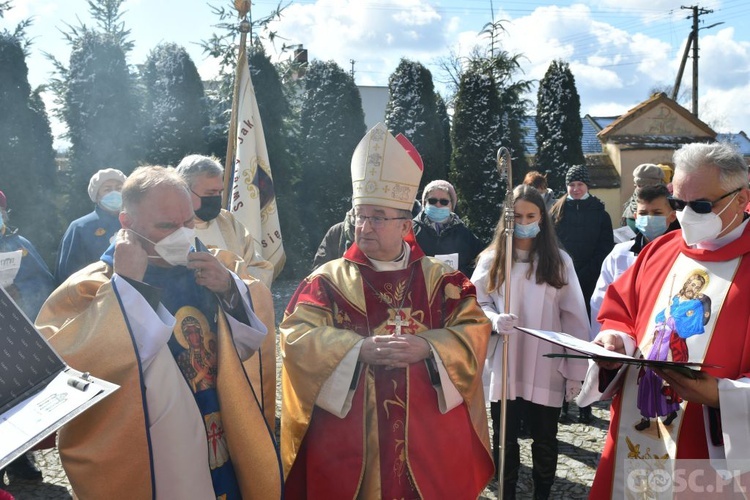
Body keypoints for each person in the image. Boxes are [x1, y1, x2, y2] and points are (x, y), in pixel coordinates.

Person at [35, 166, 281, 499]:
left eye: (189, 223)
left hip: (223, 425)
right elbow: (63, 368)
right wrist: (128, 289)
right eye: (166, 226)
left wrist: (228, 289)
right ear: (127, 223)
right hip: (158, 449)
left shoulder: (215, 264)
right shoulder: (91, 286)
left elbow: (252, 343)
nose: (182, 234)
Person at [280, 123, 494, 498]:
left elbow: (475, 328)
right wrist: (354, 349)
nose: (364, 226)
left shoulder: (442, 281)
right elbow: (297, 337)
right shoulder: (327, 281)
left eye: (377, 217)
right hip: (349, 442)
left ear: (405, 225)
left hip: (428, 440)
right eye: (359, 215)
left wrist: (429, 347)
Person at [577, 142, 750, 498]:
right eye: (678, 204)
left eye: (701, 205)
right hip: (636, 442)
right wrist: (615, 342)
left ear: (742, 197)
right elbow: (621, 314)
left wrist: (722, 395)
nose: (686, 216)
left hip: (708, 452)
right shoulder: (660, 251)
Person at [471, 184, 589, 499]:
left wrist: (575, 368)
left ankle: (542, 494)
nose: (524, 221)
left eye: (530, 215)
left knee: (545, 438)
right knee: (505, 438)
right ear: (506, 219)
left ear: (541, 218)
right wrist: (493, 320)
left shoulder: (559, 261)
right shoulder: (492, 259)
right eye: (517, 215)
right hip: (506, 362)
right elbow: (474, 304)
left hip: (545, 363)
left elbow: (574, 317)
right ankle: (506, 494)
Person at [176, 154, 277, 428]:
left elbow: (259, 268)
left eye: (220, 192)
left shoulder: (228, 223)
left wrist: (233, 287)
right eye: (209, 193)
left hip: (233, 328)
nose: (217, 200)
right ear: (184, 190)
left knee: (238, 410)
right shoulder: (170, 228)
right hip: (191, 338)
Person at [0, 190, 56, 485]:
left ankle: (20, 460)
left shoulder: (19, 245)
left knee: (15, 403)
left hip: (14, 338)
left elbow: (44, 281)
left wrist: (20, 291)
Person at [551, 164, 613, 423]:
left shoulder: (600, 213)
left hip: (589, 282)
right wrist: (563, 270)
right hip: (560, 280)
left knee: (587, 341)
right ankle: (562, 402)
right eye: (572, 185)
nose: (576, 189)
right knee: (562, 337)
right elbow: (551, 242)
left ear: (588, 186)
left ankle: (586, 401)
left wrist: (585, 273)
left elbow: (605, 248)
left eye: (580, 185)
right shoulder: (557, 210)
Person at [589, 184, 678, 338]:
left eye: (657, 213)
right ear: (636, 217)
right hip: (622, 336)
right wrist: (604, 338)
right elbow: (600, 302)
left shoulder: (681, 254)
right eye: (643, 213)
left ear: (672, 216)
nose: (649, 218)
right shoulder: (620, 254)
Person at [55, 168, 127, 284]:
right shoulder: (80, 227)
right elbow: (67, 274)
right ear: (97, 196)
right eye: (107, 189)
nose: (114, 193)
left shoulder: (136, 223)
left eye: (119, 188)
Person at [412, 179, 484, 277]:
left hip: (454, 289)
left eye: (444, 202)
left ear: (451, 206)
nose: (438, 205)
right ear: (425, 203)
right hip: (421, 290)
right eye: (432, 201)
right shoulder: (412, 231)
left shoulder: (464, 234)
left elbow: (479, 262)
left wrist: (461, 275)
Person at [620, 162, 666, 230]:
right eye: (640, 186)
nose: (644, 190)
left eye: (648, 186)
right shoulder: (629, 206)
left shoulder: (667, 205)